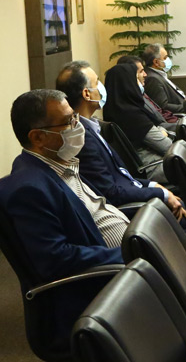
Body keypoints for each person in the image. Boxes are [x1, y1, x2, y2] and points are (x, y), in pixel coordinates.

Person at [0, 89, 126, 353]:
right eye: (69, 121)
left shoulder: (60, 163)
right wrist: (128, 253)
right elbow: (56, 259)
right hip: (99, 288)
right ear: (38, 137)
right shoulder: (29, 189)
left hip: (120, 267)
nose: (77, 126)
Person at [55, 61, 186, 219]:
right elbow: (111, 192)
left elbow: (121, 175)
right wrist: (161, 194)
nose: (101, 86)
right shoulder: (81, 139)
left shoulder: (91, 127)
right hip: (130, 211)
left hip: (136, 187)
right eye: (97, 82)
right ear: (87, 94)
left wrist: (152, 185)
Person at [103, 63, 173, 184]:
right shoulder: (132, 115)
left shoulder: (113, 109)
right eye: (135, 78)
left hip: (143, 167)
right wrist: (163, 131)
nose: (142, 79)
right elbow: (167, 146)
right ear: (127, 84)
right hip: (154, 167)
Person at [118, 55, 179, 129]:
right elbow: (155, 125)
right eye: (141, 71)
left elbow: (161, 112)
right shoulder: (132, 101)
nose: (145, 74)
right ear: (130, 75)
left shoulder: (141, 92)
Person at [142, 43, 186, 113]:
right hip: (182, 113)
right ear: (156, 62)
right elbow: (163, 106)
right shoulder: (153, 79)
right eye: (165, 58)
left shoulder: (158, 74)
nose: (168, 60)